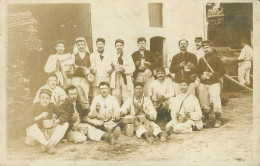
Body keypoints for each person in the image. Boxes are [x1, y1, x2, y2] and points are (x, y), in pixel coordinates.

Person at [24, 89, 69, 154]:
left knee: (65, 123)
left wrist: (57, 121)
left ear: (50, 99)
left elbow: (65, 114)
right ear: (39, 98)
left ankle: (48, 144)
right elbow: (24, 120)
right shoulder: (34, 106)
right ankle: (47, 144)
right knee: (30, 126)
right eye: (43, 98)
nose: (45, 100)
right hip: (37, 134)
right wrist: (39, 116)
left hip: (48, 133)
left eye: (47, 98)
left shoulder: (51, 105)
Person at [197, 40, 225, 128]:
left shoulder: (217, 58)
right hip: (203, 82)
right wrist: (201, 76)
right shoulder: (201, 60)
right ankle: (206, 119)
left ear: (212, 48)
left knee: (216, 100)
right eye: (204, 48)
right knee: (203, 100)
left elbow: (222, 71)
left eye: (207, 47)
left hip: (214, 82)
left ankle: (217, 119)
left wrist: (213, 75)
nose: (205, 49)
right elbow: (198, 71)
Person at [71, 37, 95, 109]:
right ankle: (76, 110)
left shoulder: (89, 55)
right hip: (76, 77)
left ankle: (85, 110)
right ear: (76, 46)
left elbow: (92, 65)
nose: (81, 46)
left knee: (85, 93)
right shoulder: (73, 56)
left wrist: (90, 69)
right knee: (75, 93)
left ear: (85, 45)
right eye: (79, 45)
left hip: (85, 78)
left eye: (82, 44)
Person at [110, 39, 135, 105]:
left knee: (126, 96)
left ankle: (126, 111)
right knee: (116, 96)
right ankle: (117, 112)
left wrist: (124, 69)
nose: (119, 47)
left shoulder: (128, 56)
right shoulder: (112, 56)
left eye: (120, 45)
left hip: (125, 78)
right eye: (117, 45)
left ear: (123, 46)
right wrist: (112, 67)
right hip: (116, 78)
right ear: (115, 47)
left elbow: (133, 68)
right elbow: (108, 68)